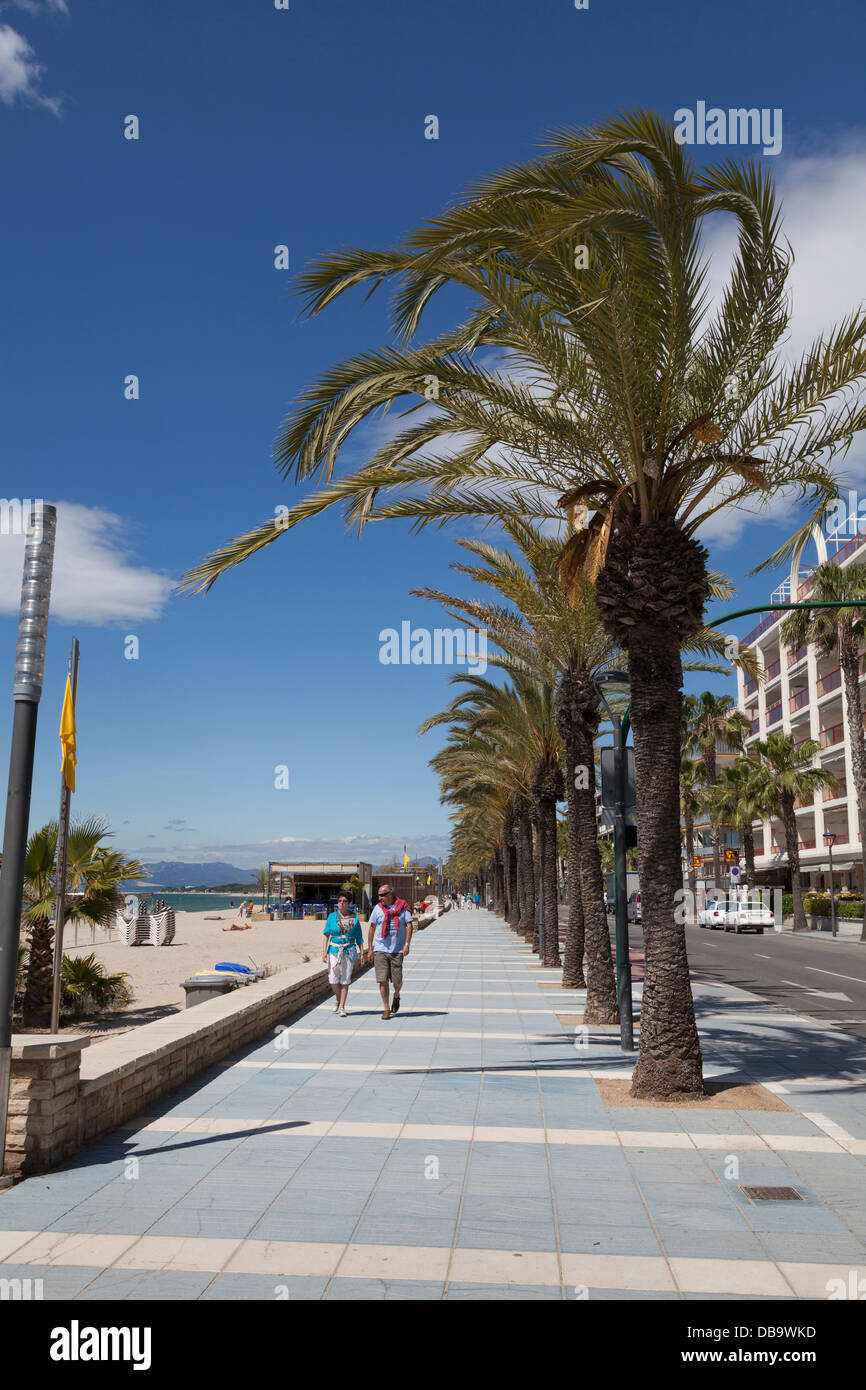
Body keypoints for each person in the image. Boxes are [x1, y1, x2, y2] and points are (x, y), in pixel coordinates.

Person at [367, 883, 412, 1020]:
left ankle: (396, 995)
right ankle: (386, 1008)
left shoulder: (403, 908)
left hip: (397, 950)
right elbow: (372, 928)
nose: (380, 898)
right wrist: (370, 949)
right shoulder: (377, 909)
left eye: (382, 895)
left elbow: (409, 925)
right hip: (380, 949)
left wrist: (407, 944)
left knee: (397, 981)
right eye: (379, 895)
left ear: (390, 894)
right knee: (382, 980)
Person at [322, 892, 364, 1017]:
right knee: (333, 980)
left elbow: (359, 938)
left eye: (344, 901)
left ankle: (342, 1007)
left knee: (345, 980)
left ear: (349, 903)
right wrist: (324, 952)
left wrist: (362, 954)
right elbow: (326, 935)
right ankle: (338, 999)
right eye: (339, 900)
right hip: (334, 951)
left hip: (349, 950)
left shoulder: (355, 919)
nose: (341, 903)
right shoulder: (332, 917)